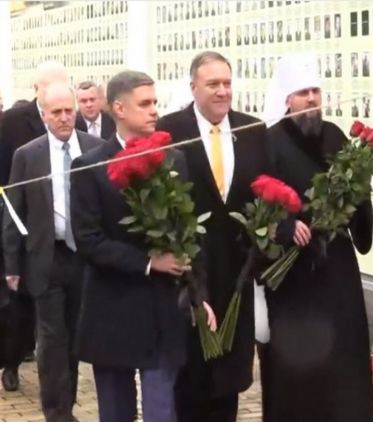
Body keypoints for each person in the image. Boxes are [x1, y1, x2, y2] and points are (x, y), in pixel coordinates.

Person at [70, 70, 215, 422]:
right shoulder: (90, 166)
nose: (154, 111)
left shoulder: (174, 159)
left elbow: (189, 233)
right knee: (116, 410)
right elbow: (88, 240)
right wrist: (149, 262)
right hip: (113, 306)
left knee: (161, 408)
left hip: (163, 307)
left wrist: (198, 293)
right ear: (119, 109)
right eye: (145, 104)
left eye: (155, 102)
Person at [261, 52, 373, 422]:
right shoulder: (270, 142)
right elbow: (260, 200)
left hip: (337, 267)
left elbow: (357, 194)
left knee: (344, 356)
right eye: (303, 93)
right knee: (298, 365)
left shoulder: (335, 136)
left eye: (315, 91)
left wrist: (356, 200)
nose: (311, 99)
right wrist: (286, 224)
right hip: (294, 274)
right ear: (288, 99)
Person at [157, 51, 270, 422]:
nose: (223, 91)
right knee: (191, 373)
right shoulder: (170, 131)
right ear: (193, 87)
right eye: (213, 84)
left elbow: (263, 193)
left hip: (237, 271)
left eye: (227, 83)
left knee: (230, 373)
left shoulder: (252, 130)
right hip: (191, 271)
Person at [2, 82, 103, 421]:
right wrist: (11, 265)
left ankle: (67, 404)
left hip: (85, 257)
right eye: (56, 112)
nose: (63, 118)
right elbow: (13, 212)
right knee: (51, 339)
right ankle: (56, 413)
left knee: (74, 337)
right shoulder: (27, 155)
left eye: (68, 111)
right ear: (43, 115)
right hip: (46, 257)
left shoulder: (95, 148)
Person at [0, 61, 68, 392]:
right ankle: (10, 362)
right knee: (20, 307)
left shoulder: (72, 121)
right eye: (48, 87)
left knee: (55, 323)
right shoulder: (14, 121)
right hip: (23, 225)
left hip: (65, 239)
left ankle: (57, 389)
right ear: (37, 90)